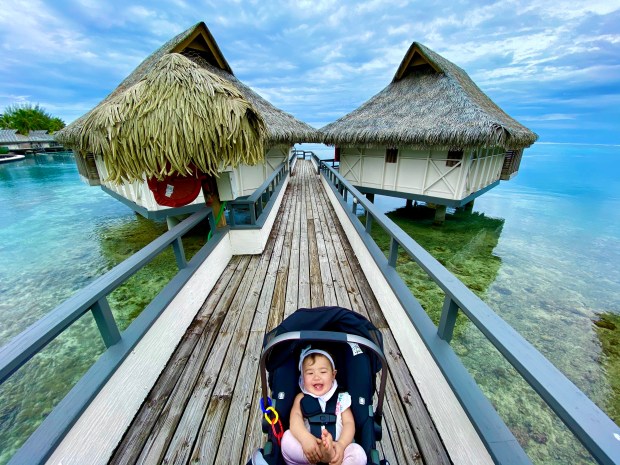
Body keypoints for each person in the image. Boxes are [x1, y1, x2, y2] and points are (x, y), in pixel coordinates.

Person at [281, 347, 367, 465]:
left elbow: (349, 424)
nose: (316, 377)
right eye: (310, 373)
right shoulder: (301, 398)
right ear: (302, 377)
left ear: (333, 375)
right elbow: (295, 420)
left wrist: (341, 445)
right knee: (286, 439)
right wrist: (305, 438)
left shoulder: (341, 397)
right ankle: (320, 455)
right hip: (308, 450)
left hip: (338, 450)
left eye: (323, 372)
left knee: (358, 453)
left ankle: (331, 455)